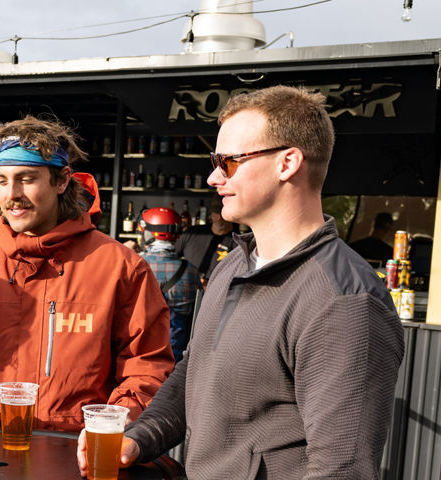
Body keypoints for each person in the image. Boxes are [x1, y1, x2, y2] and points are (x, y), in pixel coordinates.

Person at [79, 86, 404, 478]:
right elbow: (194, 374)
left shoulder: (344, 300)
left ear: (288, 163)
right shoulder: (233, 264)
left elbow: (342, 468)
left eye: (229, 162)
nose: (213, 177)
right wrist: (139, 436)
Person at [0, 115, 174, 433]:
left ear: (61, 181)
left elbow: (146, 368)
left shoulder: (121, 268)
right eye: (1, 180)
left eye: (26, 178)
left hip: (78, 452)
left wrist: (111, 426)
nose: (11, 194)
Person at [135, 207, 200, 363]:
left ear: (148, 233)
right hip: (175, 356)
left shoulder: (132, 265)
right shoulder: (191, 271)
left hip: (138, 354)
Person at [173, 194, 236, 284]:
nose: (219, 217)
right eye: (216, 212)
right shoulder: (192, 233)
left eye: (222, 212)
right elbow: (171, 258)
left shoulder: (238, 241)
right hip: (188, 290)